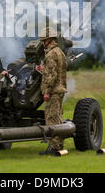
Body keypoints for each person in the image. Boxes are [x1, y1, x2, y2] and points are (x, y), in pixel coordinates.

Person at [38, 27, 67, 155]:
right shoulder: (59, 52)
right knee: (58, 118)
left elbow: (51, 75)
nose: (43, 43)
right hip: (60, 90)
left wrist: (47, 91)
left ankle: (54, 147)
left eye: (44, 40)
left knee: (52, 119)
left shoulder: (50, 54)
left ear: (48, 40)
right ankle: (59, 145)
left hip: (53, 91)